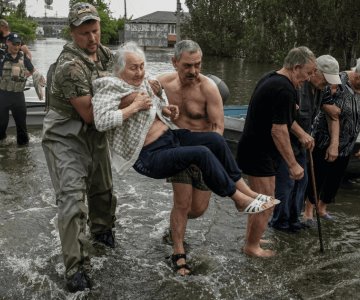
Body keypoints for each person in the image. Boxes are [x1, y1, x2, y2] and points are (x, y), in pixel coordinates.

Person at [91, 41, 279, 268]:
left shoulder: (158, 83)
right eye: (134, 68)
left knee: (214, 142)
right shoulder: (111, 86)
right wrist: (134, 106)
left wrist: (166, 109)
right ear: (175, 63)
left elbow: (159, 106)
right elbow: (100, 122)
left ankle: (246, 192)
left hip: (175, 141)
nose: (140, 72)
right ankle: (235, 204)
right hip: (150, 155)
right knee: (190, 181)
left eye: (142, 66)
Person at [41, 3, 117, 293]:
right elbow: (91, 115)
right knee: (72, 200)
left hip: (94, 134)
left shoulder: (105, 53)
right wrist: (134, 104)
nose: (92, 38)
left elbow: (125, 76)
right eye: (84, 33)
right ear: (72, 32)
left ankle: (103, 232)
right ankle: (75, 267)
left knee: (102, 188)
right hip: (66, 135)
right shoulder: (70, 67)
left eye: (95, 30)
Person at [157, 40, 232, 275]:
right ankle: (179, 254)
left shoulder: (208, 88)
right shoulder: (162, 84)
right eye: (188, 66)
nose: (193, 71)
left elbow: (219, 128)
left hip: (205, 155)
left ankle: (174, 228)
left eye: (197, 65)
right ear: (174, 62)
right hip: (178, 151)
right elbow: (137, 92)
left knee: (197, 208)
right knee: (181, 203)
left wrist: (207, 155)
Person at [236, 46, 316, 257]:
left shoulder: (272, 78)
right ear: (297, 67)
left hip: (255, 148)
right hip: (258, 152)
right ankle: (252, 247)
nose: (308, 79)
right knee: (266, 203)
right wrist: (293, 164)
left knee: (260, 201)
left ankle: (252, 238)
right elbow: (279, 130)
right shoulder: (284, 89)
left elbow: (284, 120)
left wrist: (300, 135)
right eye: (308, 73)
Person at [269, 55, 342, 232]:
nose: (328, 85)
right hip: (287, 141)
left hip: (303, 144)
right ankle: (280, 223)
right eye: (326, 79)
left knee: (302, 182)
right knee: (286, 184)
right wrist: (302, 134)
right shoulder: (297, 86)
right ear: (315, 72)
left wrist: (333, 141)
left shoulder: (321, 89)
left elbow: (331, 111)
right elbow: (283, 118)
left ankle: (294, 221)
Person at [304, 58, 360, 221]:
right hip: (325, 137)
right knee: (318, 174)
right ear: (356, 73)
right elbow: (319, 97)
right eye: (358, 79)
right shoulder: (337, 80)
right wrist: (328, 107)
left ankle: (322, 208)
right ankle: (308, 210)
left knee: (335, 177)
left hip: (348, 142)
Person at [0, 32, 42, 145]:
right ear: (7, 43)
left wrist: (40, 79)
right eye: (14, 44)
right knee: (1, 125)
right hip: (3, 95)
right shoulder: (1, 56)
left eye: (18, 44)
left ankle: (23, 153)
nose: (16, 46)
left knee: (22, 128)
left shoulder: (23, 57)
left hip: (18, 96)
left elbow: (34, 72)